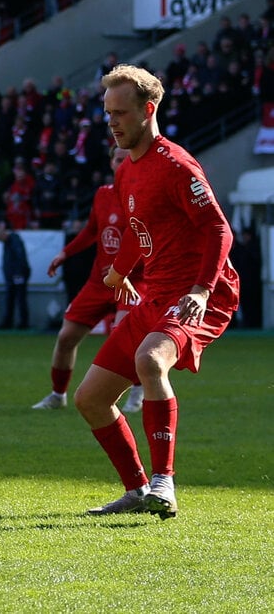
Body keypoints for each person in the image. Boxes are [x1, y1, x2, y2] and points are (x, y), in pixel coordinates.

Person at [76, 64, 239, 518]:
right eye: (108, 113)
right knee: (89, 399)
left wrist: (203, 290)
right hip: (153, 294)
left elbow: (218, 230)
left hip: (196, 294)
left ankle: (164, 484)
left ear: (148, 110)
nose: (112, 122)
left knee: (150, 360)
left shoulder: (175, 164)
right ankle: (136, 491)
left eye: (120, 113)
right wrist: (118, 271)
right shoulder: (127, 169)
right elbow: (136, 228)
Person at [33, 147, 145, 412]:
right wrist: (65, 253)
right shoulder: (103, 194)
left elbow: (145, 242)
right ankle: (57, 395)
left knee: (124, 338)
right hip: (99, 282)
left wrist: (126, 270)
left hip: (132, 281)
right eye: (117, 159)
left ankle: (137, 392)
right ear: (111, 162)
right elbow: (92, 231)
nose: (121, 163)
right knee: (66, 337)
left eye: (126, 159)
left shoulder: (142, 197)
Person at [0, 221, 30, 329]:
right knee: (13, 299)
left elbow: (19, 258)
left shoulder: (14, 241)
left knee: (19, 298)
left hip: (17, 275)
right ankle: (11, 321)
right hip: (12, 275)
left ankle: (22, 322)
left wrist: (18, 274)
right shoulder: (10, 242)